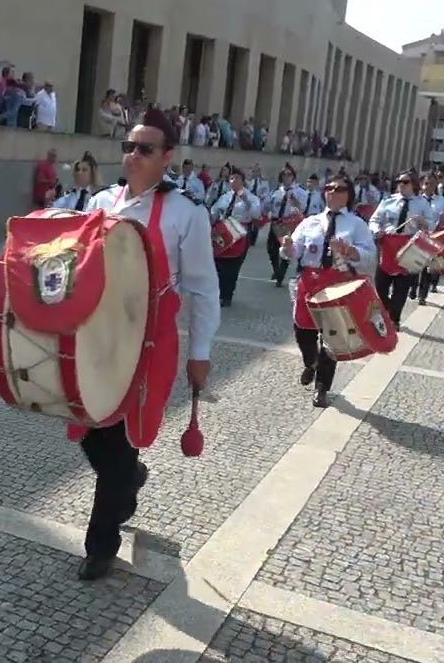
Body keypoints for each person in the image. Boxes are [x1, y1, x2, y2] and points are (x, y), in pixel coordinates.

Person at [76, 108, 219, 581]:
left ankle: (101, 545)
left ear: (167, 157)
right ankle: (129, 478)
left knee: (116, 442)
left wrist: (200, 355)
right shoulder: (99, 202)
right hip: (97, 338)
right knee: (94, 435)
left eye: (145, 149)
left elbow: (201, 288)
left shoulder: (186, 212)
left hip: (148, 347)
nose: (133, 155)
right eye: (129, 146)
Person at [281, 174, 375, 408]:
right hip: (310, 280)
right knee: (302, 329)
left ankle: (322, 388)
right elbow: (294, 252)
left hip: (338, 282)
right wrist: (289, 247)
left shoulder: (356, 224)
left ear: (348, 195)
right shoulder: (310, 221)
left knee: (332, 336)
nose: (333, 191)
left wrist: (353, 252)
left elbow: (370, 256)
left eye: (340, 188)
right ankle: (310, 362)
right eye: (330, 187)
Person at [368, 172, 433, 325]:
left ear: (414, 185)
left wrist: (423, 222)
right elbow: (374, 220)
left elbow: (431, 225)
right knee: (380, 286)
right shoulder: (388, 201)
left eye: (405, 182)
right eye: (399, 181)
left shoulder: (422, 203)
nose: (401, 184)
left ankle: (394, 319)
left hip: (408, 247)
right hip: (388, 246)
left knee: (402, 286)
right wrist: (377, 230)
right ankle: (388, 308)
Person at [209, 169, 262, 307]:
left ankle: (227, 295)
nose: (234, 181)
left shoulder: (251, 197)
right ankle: (219, 292)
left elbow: (256, 215)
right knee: (219, 263)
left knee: (233, 266)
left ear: (243, 180)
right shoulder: (225, 196)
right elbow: (214, 211)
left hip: (239, 234)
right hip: (223, 231)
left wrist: (247, 201)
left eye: (237, 178)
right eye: (232, 178)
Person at [265, 166, 308, 287]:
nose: (286, 177)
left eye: (289, 174)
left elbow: (302, 209)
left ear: (293, 176)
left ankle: (280, 275)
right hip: (276, 222)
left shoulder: (300, 192)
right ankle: (276, 269)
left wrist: (295, 203)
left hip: (289, 223)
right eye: (284, 174)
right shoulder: (276, 191)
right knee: (271, 248)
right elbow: (268, 205)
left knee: (286, 248)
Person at [413, 173, 444, 304]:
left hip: (433, 238)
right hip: (416, 238)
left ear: (436, 185)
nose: (428, 186)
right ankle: (413, 288)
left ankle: (422, 295)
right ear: (422, 184)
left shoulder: (442, 201)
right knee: (414, 265)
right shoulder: (416, 201)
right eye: (426, 183)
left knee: (427, 269)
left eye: (432, 184)